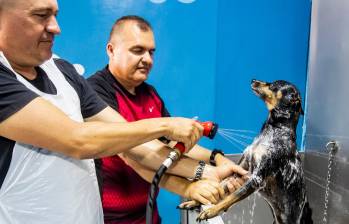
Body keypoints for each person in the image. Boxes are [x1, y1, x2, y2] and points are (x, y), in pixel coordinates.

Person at [0, 1, 226, 223]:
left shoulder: (63, 71)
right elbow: (78, 140)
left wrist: (211, 165)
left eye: (55, 15)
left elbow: (134, 145)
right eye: (41, 15)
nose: (55, 27)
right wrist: (167, 127)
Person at [88, 15, 248, 224]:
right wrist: (198, 179)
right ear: (111, 50)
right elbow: (135, 155)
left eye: (151, 52)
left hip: (147, 216)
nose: (147, 59)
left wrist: (217, 158)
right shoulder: (95, 92)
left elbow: (172, 144)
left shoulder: (150, 94)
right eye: (137, 50)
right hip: (106, 219)